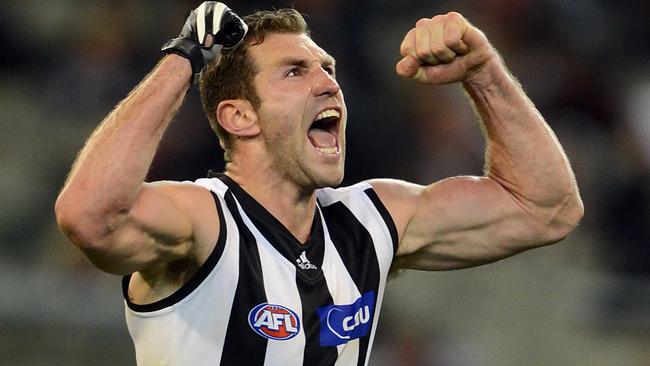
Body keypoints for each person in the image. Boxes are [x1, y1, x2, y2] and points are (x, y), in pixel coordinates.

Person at [54, 2, 583, 365]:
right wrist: (184, 59)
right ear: (240, 117)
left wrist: (484, 72)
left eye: (326, 68)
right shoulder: (204, 217)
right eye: (295, 71)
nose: (329, 83)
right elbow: (90, 216)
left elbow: (547, 209)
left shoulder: (371, 218)